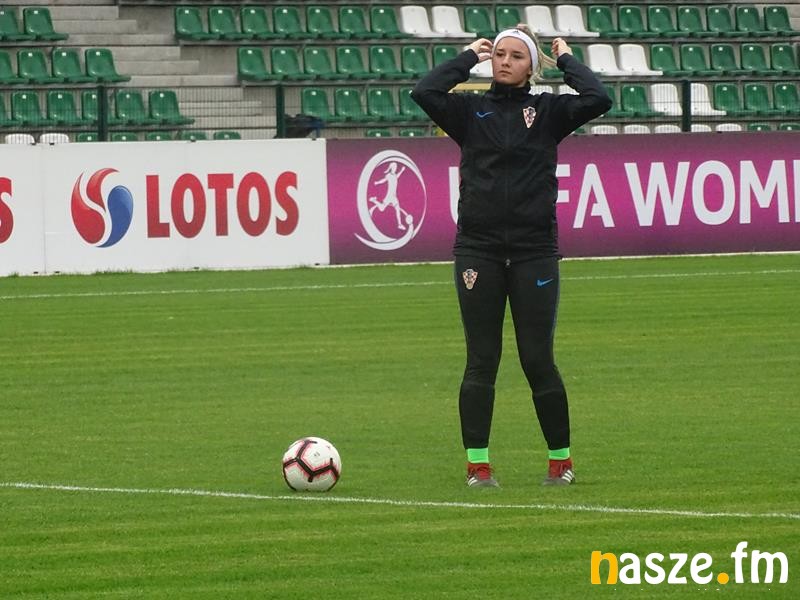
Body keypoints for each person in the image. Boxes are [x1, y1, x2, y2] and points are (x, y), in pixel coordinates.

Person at [411, 26, 611, 487]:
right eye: (499, 54)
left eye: (516, 56)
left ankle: (560, 464)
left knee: (537, 360)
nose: (504, 61)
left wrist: (565, 59)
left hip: (533, 251)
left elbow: (598, 98)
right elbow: (425, 91)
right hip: (477, 250)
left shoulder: (549, 111)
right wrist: (467, 57)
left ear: (531, 67)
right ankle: (478, 467)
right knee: (481, 361)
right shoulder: (468, 110)